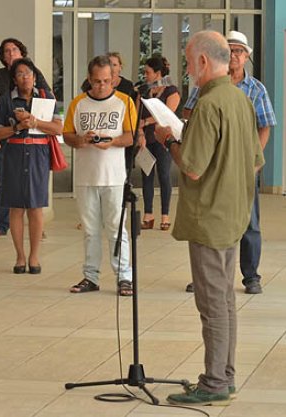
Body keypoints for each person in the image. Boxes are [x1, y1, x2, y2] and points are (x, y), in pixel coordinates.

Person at [155, 30, 264, 406]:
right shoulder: (240, 99)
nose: (187, 70)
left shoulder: (208, 102)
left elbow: (194, 168)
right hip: (233, 214)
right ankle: (225, 376)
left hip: (209, 217)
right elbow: (255, 161)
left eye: (188, 62)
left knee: (212, 304)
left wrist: (168, 139)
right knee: (226, 301)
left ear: (203, 61)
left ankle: (215, 381)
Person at [182, 30, 276, 295]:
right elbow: (190, 113)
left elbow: (265, 127)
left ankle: (250, 276)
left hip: (243, 168)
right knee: (214, 224)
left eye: (239, 51)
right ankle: (209, 276)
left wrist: (252, 163)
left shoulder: (255, 89)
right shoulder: (205, 89)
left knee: (249, 223)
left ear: (246, 57)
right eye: (230, 50)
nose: (234, 56)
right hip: (212, 167)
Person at [63, 55, 136, 296]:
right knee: (90, 229)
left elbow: (130, 136)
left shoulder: (124, 102)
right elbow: (68, 136)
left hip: (114, 176)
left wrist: (112, 141)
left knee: (116, 228)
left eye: (106, 81)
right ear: (89, 79)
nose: (101, 86)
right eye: (96, 81)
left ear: (114, 80)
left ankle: (124, 276)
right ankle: (90, 276)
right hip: (86, 177)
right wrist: (82, 140)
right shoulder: (78, 104)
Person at [0, 58, 62, 274]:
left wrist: (36, 122)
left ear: (34, 76)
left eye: (28, 73)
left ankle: (34, 256)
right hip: (14, 152)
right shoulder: (6, 101)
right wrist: (18, 126)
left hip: (38, 153)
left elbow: (58, 128)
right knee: (16, 205)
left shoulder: (46, 97)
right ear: (14, 79)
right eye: (20, 74)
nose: (25, 77)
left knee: (36, 205)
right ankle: (20, 256)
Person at [0, 38, 51, 241]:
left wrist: (36, 122)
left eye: (14, 50)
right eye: (6, 51)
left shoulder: (32, 72)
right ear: (2, 56)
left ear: (22, 52)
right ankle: (1, 225)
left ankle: (36, 227)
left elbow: (48, 97)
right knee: (4, 182)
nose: (11, 54)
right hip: (6, 134)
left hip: (33, 138)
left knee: (33, 184)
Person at [138, 55, 180, 231]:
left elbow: (167, 115)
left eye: (148, 72)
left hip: (163, 138)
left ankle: (165, 214)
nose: (145, 75)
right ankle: (148, 214)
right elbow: (136, 114)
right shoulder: (143, 90)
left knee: (164, 174)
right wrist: (139, 132)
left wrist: (146, 122)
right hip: (145, 138)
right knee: (146, 174)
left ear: (158, 73)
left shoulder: (171, 91)